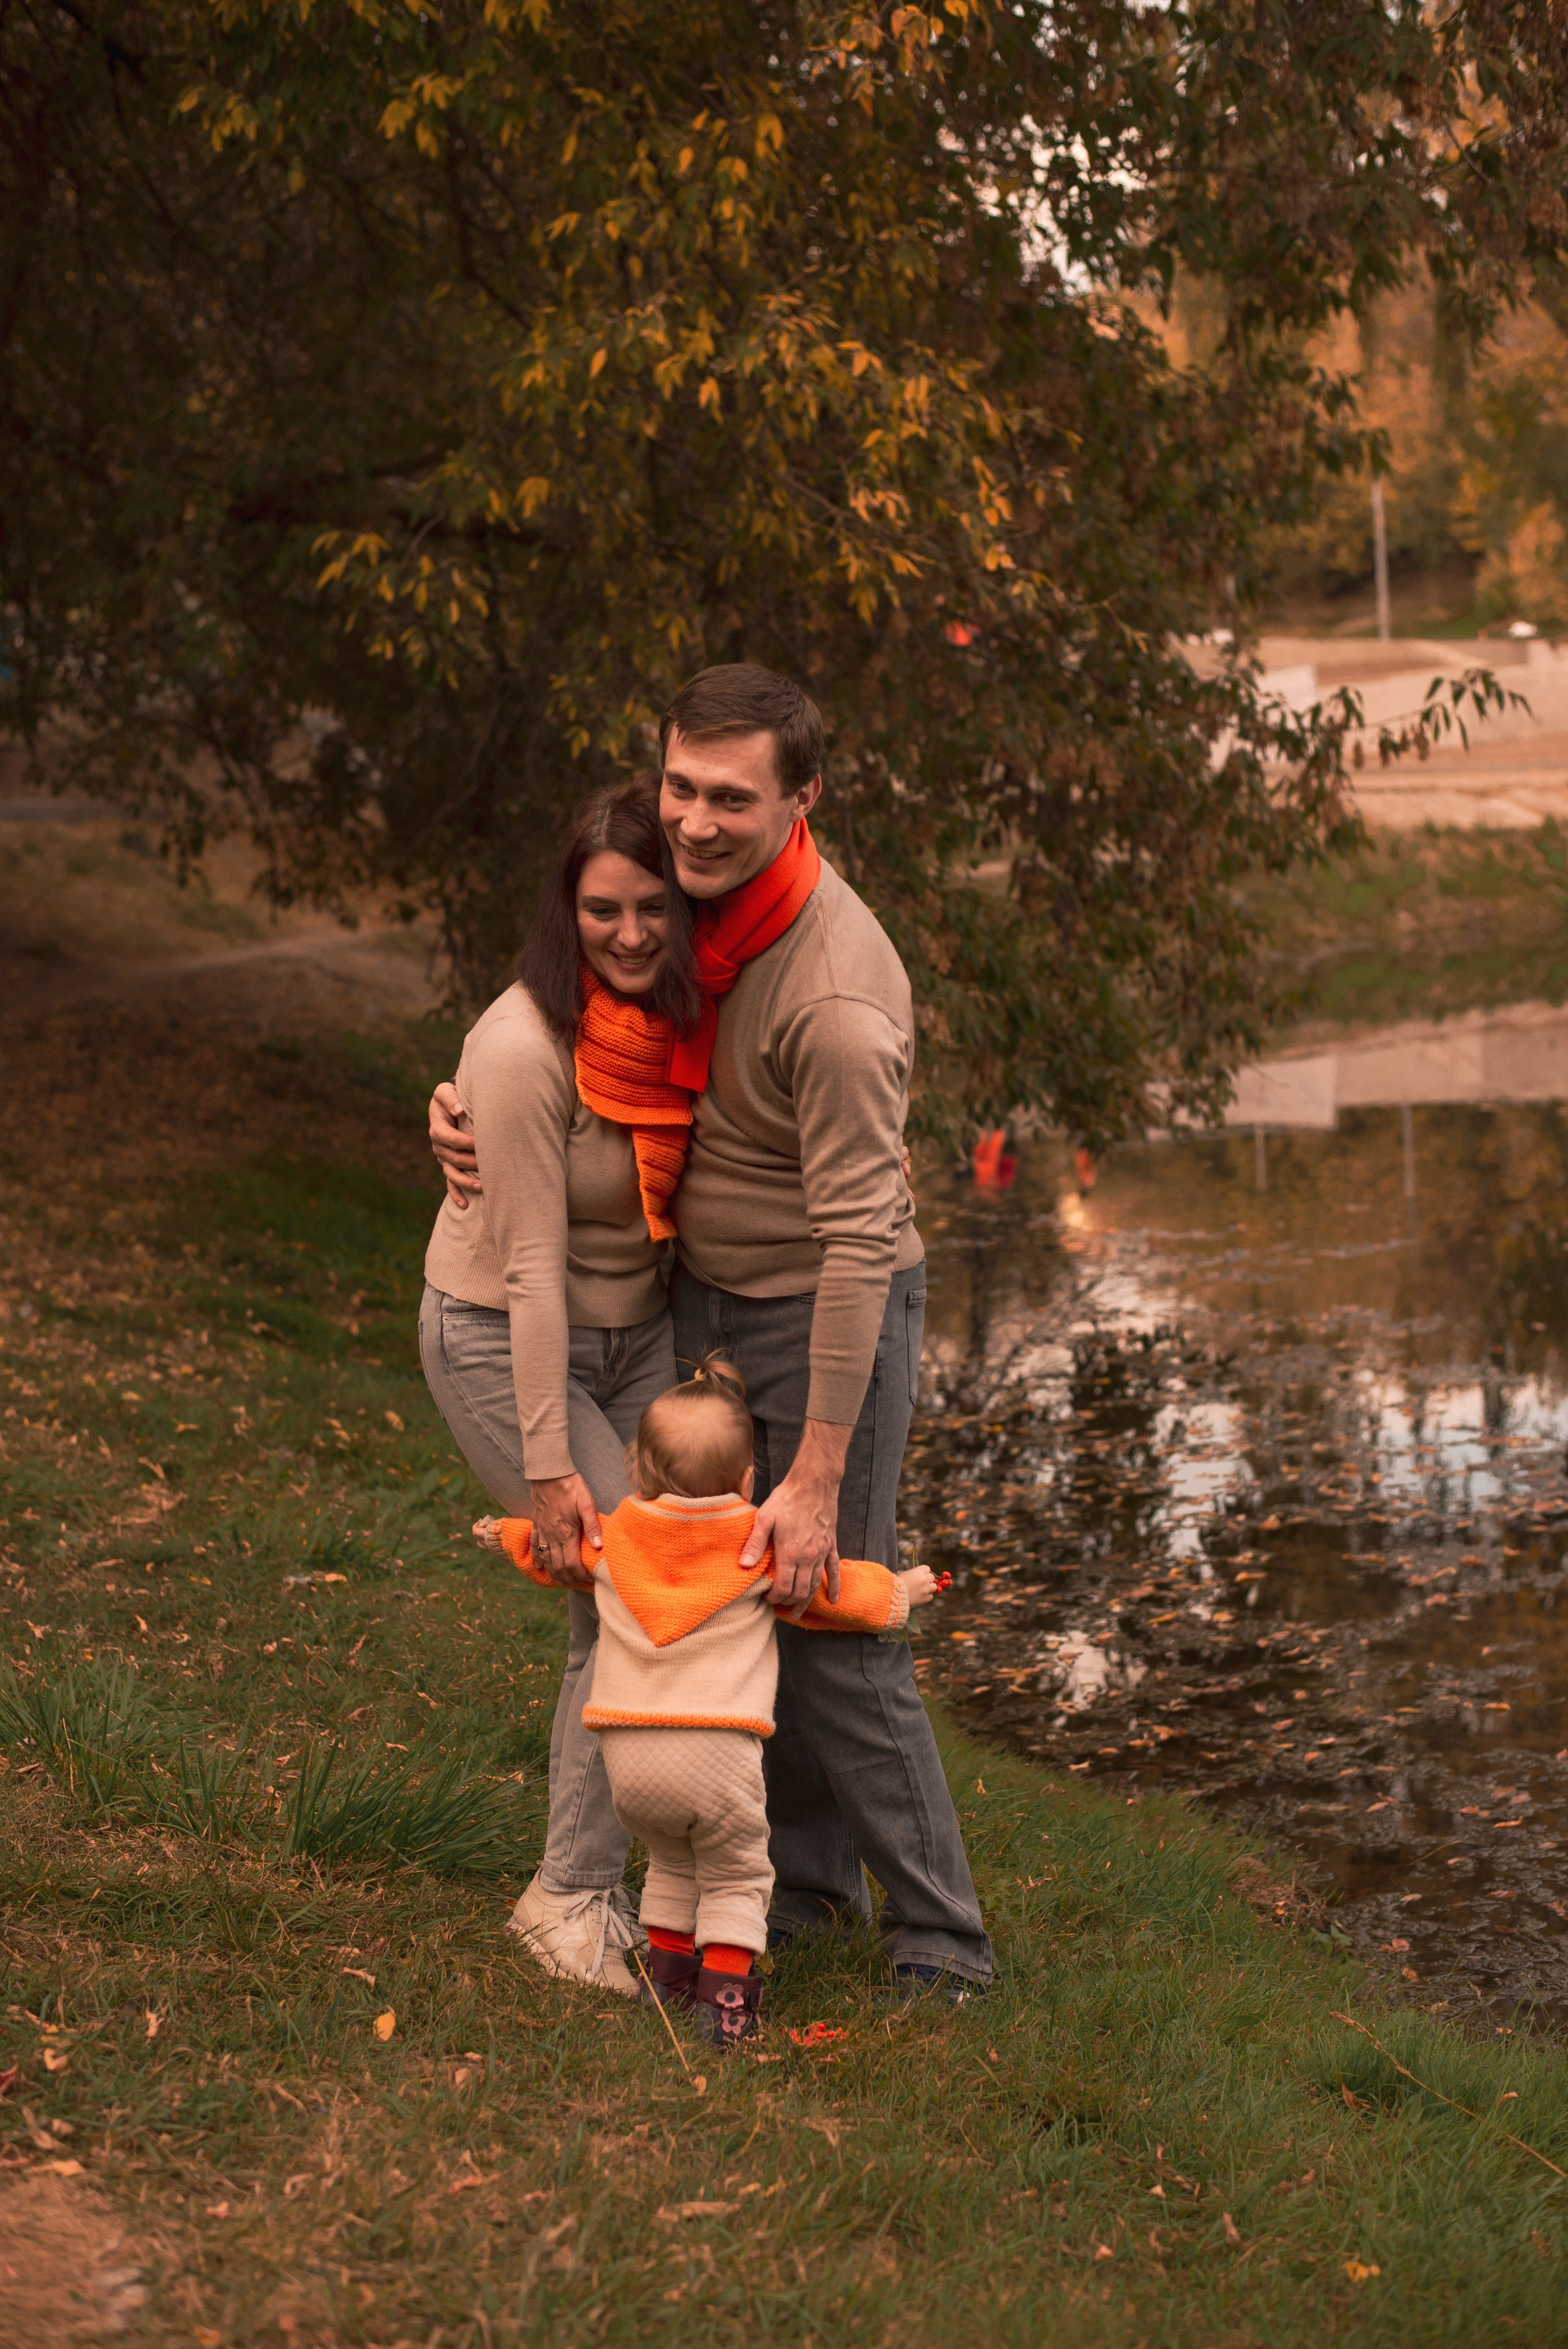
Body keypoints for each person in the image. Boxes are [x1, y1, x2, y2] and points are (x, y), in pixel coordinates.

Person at [434, 662, 993, 1999]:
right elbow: (553, 1032)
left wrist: (810, 1477)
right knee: (749, 1606)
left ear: (800, 801)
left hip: (823, 1310)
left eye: (727, 798)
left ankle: (941, 1941)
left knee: (828, 1612)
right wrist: (461, 1112)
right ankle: (803, 1891)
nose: (690, 820)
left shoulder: (836, 993)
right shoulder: (696, 917)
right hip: (704, 1300)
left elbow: (862, 1241)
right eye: (678, 785)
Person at [418, 778, 700, 1998]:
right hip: (501, 1335)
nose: (631, 935)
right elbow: (531, 1272)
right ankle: (567, 1897)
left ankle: (609, 1891)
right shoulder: (520, 1047)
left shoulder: (677, 1024)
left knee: (645, 1605)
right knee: (627, 1596)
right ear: (563, 911)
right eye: (602, 913)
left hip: (633, 1345)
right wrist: (547, 1469)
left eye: (653, 909)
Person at [473, 1357, 940, 2044]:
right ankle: (725, 2003)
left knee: (671, 1863)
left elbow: (556, 1553)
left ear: (637, 1472)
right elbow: (830, 1597)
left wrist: (502, 1534)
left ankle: (662, 1981)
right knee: (736, 1875)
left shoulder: (618, 1537)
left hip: (629, 1757)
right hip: (716, 1752)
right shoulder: (754, 1549)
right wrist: (902, 1593)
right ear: (748, 1480)